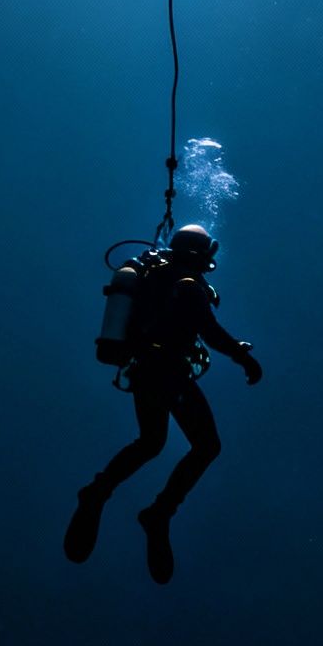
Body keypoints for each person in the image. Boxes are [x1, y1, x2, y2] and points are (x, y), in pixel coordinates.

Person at [67, 224, 262, 584]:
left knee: (150, 442)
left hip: (144, 370)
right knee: (206, 446)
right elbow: (209, 331)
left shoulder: (156, 274)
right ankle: (158, 514)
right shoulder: (188, 284)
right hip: (169, 373)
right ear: (199, 254)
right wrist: (243, 358)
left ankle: (97, 492)